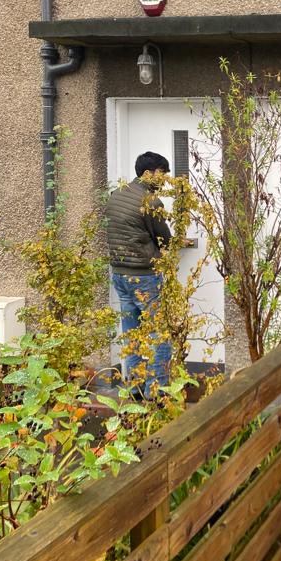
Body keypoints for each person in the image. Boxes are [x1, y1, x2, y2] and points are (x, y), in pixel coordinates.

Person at [105, 151, 172, 397]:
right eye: (162, 174)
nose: (164, 179)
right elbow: (164, 238)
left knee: (131, 333)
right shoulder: (150, 202)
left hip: (120, 275)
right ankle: (158, 392)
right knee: (158, 334)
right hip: (144, 276)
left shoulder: (115, 196)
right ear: (148, 173)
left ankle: (134, 387)